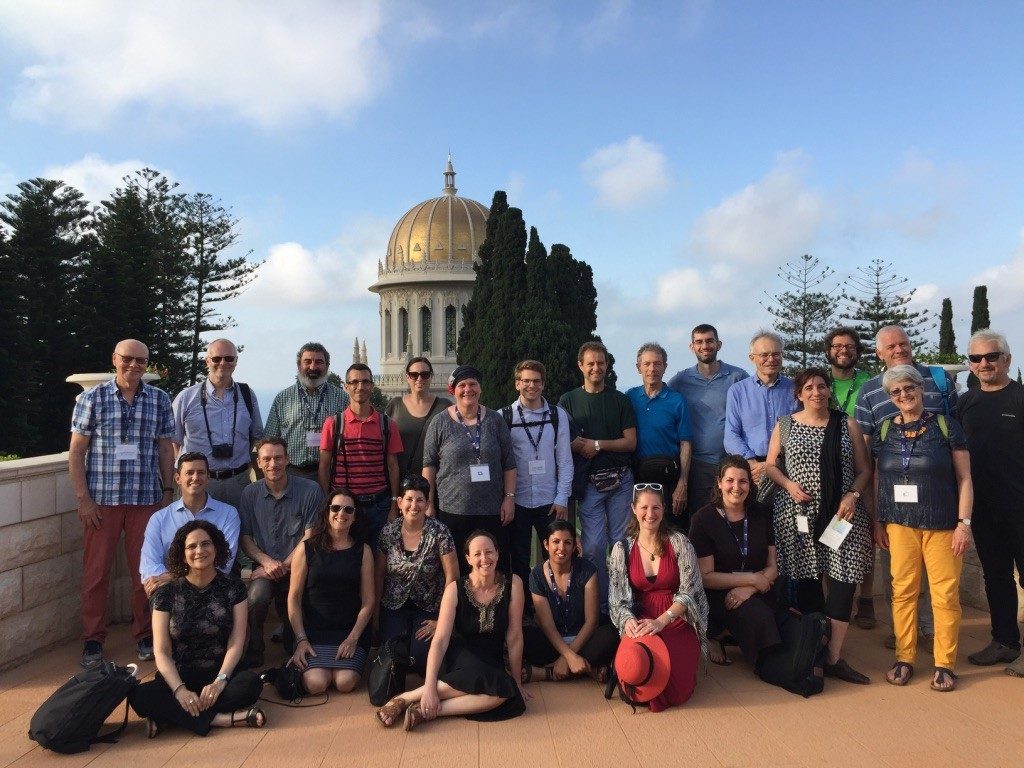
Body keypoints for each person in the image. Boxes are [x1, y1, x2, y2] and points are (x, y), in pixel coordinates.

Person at [69, 338, 175, 667]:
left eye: (141, 361)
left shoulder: (159, 400)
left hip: (145, 500)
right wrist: (83, 499)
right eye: (127, 359)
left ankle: (144, 634)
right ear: (115, 359)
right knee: (96, 573)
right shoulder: (92, 399)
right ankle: (92, 640)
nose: (133, 366)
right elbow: (76, 451)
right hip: (102, 502)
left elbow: (164, 449)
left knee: (146, 572)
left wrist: (168, 493)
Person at [765, 368, 873, 684]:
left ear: (829, 391)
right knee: (809, 581)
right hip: (798, 516)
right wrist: (788, 485)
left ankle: (834, 657)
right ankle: (813, 647)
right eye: (809, 387)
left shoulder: (846, 424)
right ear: (799, 394)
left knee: (843, 580)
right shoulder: (784, 425)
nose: (817, 392)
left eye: (822, 386)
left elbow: (864, 470)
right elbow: (771, 466)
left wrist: (853, 495)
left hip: (842, 515)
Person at [856, 325, 958, 650]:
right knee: (900, 575)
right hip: (895, 501)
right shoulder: (870, 392)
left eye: (903, 343)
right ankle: (906, 635)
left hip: (938, 498)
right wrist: (875, 514)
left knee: (938, 578)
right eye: (891, 346)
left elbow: (959, 439)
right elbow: (866, 455)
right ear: (879, 353)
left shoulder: (940, 382)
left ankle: (931, 635)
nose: (899, 349)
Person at [872, 365, 972, 691]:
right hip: (900, 525)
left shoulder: (946, 426)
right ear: (890, 397)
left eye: (909, 388)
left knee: (944, 596)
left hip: (942, 524)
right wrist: (878, 519)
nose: (904, 395)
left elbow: (965, 479)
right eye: (896, 391)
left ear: (920, 388)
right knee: (903, 593)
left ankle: (945, 663)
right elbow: (878, 478)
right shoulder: (885, 430)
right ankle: (905, 657)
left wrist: (964, 524)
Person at [374, 530, 528, 730]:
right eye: (477, 554)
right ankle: (406, 698)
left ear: (498, 554)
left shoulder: (513, 583)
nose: (484, 559)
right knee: (493, 681)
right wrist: (429, 686)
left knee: (504, 692)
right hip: (460, 655)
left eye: (489, 552)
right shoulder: (455, 589)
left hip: (492, 657)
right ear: (468, 559)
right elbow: (440, 640)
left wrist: (518, 682)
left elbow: (514, 636)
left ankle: (425, 711)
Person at [129, 520, 265, 737]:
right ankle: (223, 719)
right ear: (182, 555)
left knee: (250, 685)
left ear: (216, 548)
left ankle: (173, 718)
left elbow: (236, 642)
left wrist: (220, 682)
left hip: (220, 672)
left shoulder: (234, 588)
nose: (199, 551)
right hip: (180, 674)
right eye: (192, 546)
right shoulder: (166, 594)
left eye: (206, 544)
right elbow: (162, 652)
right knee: (139, 696)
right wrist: (180, 690)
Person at [607, 486, 708, 711]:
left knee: (673, 682)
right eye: (644, 507)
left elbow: (690, 591)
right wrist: (627, 622)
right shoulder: (621, 549)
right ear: (634, 509)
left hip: (676, 618)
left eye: (656, 507)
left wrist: (662, 621)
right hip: (642, 619)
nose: (650, 514)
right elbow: (617, 598)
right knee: (638, 666)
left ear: (664, 510)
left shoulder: (680, 542)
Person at [959, 330, 1024, 675]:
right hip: (984, 510)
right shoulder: (966, 402)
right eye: (976, 358)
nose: (983, 364)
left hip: (1021, 508)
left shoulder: (1020, 398)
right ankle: (1004, 642)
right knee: (996, 577)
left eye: (991, 357)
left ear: (1007, 359)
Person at [559, 341, 637, 612]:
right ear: (580, 365)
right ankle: (600, 604)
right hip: (589, 483)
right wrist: (580, 444)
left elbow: (630, 442)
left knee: (620, 544)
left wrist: (597, 444)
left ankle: (622, 602)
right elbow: (562, 441)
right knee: (592, 546)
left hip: (621, 480)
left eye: (601, 363)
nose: (596, 368)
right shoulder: (568, 400)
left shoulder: (620, 400)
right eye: (590, 363)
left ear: (607, 365)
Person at [239, 438, 324, 668]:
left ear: (287, 459)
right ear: (258, 463)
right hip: (266, 570)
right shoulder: (249, 494)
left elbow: (310, 536)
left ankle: (296, 641)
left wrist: (283, 566)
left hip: (298, 569)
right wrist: (267, 563)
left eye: (278, 458)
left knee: (291, 642)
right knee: (255, 598)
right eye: (266, 459)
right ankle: (255, 647)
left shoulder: (309, 490)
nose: (273, 464)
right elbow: (245, 537)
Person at [422, 365, 516, 571]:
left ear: (480, 388)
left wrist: (509, 497)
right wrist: (428, 502)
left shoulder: (495, 420)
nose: (468, 389)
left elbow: (509, 463)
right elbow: (429, 465)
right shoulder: (439, 422)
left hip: (492, 510)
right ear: (453, 390)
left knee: (492, 567)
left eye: (473, 384)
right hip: (453, 512)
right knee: (457, 569)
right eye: (462, 385)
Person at [689, 456, 780, 669]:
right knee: (761, 618)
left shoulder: (761, 513)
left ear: (750, 484)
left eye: (743, 481)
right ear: (719, 483)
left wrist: (749, 587)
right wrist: (751, 579)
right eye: (730, 480)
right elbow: (705, 577)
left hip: (757, 588)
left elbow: (773, 566)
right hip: (721, 594)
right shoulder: (703, 520)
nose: (736, 487)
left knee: (784, 619)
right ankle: (716, 633)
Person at [287, 488, 375, 694]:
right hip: (313, 630)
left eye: (348, 510)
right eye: (335, 508)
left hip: (349, 630)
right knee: (316, 684)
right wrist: (301, 639)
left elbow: (369, 601)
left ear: (355, 517)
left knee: (345, 682)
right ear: (327, 512)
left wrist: (353, 638)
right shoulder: (306, 548)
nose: (341, 514)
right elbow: (294, 597)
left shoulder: (364, 551)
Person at [375, 474, 460, 672]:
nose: (414, 505)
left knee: (421, 659)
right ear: (399, 502)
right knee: (394, 658)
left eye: (420, 500)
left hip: (429, 607)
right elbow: (379, 575)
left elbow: (452, 578)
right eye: (409, 499)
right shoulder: (388, 532)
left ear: (427, 503)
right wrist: (376, 616)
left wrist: (442, 619)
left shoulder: (440, 532)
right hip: (394, 607)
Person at [504, 360, 573, 593]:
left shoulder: (557, 414)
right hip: (518, 499)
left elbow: (564, 459)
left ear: (543, 384)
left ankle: (555, 605)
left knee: (556, 557)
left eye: (536, 381)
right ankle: (523, 611)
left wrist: (562, 497)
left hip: (549, 500)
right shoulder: (504, 416)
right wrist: (507, 498)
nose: (531, 385)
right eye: (525, 381)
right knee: (518, 559)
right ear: (517, 384)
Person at [318, 363, 403, 550]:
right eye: (354, 382)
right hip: (345, 508)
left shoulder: (387, 424)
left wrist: (393, 505)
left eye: (365, 381)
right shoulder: (333, 424)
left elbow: (393, 466)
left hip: (378, 507)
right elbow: (324, 466)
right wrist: (327, 503)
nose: (360, 386)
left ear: (372, 386)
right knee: (344, 558)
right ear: (346, 386)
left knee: (377, 560)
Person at [824, 326, 876, 630]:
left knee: (864, 533)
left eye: (850, 346)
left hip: (864, 468)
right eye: (837, 345)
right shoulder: (820, 383)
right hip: (831, 470)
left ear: (857, 350)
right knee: (832, 534)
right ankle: (834, 600)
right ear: (829, 350)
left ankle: (866, 599)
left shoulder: (868, 385)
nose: (843, 350)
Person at [522, 520, 619, 683]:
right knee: (523, 633)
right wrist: (569, 656)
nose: (561, 548)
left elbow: (592, 622)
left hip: (584, 639)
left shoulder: (587, 570)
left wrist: (566, 657)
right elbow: (547, 625)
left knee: (611, 633)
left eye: (567, 543)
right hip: (553, 641)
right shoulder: (537, 575)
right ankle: (589, 670)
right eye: (556, 542)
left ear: (574, 546)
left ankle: (548, 672)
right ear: (546, 544)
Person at [171, 338, 263, 510]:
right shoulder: (186, 398)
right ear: (207, 361)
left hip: (239, 482)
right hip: (199, 483)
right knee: (196, 534)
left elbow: (256, 436)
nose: (223, 363)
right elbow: (174, 441)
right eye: (216, 359)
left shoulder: (247, 395)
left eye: (229, 358)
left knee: (239, 534)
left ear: (236, 362)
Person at [668, 323, 749, 517]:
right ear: (692, 347)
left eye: (709, 341)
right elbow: (665, 404)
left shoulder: (738, 377)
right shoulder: (681, 380)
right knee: (701, 519)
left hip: (732, 463)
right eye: (699, 342)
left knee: (732, 518)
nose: (705, 346)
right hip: (698, 465)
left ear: (719, 344)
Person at [140, 452, 240, 598]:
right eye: (189, 473)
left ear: (208, 477)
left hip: (213, 589)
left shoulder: (228, 514)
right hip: (172, 591)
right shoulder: (159, 519)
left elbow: (224, 563)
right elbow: (150, 565)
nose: (195, 477)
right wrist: (177, 581)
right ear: (178, 478)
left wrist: (174, 576)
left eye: (201, 472)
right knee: (159, 592)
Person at [724, 331, 796, 501]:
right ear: (752, 358)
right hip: (751, 471)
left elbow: (800, 429)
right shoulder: (738, 391)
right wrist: (753, 464)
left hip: (787, 469)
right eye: (764, 354)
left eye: (776, 354)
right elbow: (731, 435)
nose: (771, 359)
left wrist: (773, 463)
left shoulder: (794, 389)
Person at [626, 342, 693, 524]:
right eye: (646, 364)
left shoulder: (677, 400)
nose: (652, 369)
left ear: (665, 367)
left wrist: (683, 483)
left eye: (657, 363)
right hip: (638, 477)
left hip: (670, 477)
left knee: (672, 533)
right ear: (638, 367)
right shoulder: (629, 398)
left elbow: (686, 443)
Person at [264, 342, 349, 481]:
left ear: (327, 366)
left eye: (319, 362)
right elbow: (270, 439)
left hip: (331, 474)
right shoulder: (283, 398)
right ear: (299, 366)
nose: (313, 367)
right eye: (307, 362)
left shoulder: (342, 398)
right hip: (291, 474)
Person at [386, 356, 451, 479]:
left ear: (431, 376)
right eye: (414, 375)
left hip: (437, 480)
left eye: (425, 374)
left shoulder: (445, 406)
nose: (419, 378)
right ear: (407, 377)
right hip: (403, 482)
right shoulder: (395, 405)